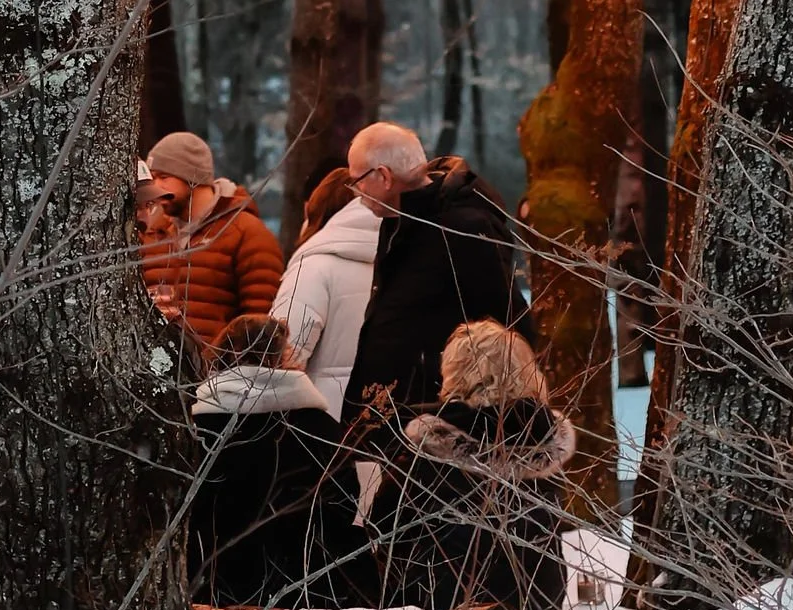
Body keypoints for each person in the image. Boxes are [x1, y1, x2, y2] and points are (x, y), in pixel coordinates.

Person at [375, 320, 572, 610]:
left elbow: (383, 529)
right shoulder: (540, 441)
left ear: (452, 373)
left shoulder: (424, 452)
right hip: (534, 609)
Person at [340, 126, 524, 432]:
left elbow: (503, 320)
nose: (357, 195)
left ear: (384, 176)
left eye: (357, 181)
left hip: (440, 421)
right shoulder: (400, 223)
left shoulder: (460, 229)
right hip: (397, 416)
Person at [189, 313, 363, 608]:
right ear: (283, 356)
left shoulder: (197, 429)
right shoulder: (320, 427)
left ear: (220, 354)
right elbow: (345, 503)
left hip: (213, 589)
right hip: (310, 589)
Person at [137, 131, 284, 351]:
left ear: (192, 177)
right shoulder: (150, 234)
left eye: (163, 177)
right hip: (158, 375)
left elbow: (260, 321)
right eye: (152, 178)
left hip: (220, 377)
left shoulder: (246, 233)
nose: (156, 187)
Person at [271, 161, 382, 418]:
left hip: (318, 423)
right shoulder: (394, 260)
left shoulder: (313, 267)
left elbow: (282, 355)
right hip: (380, 418)